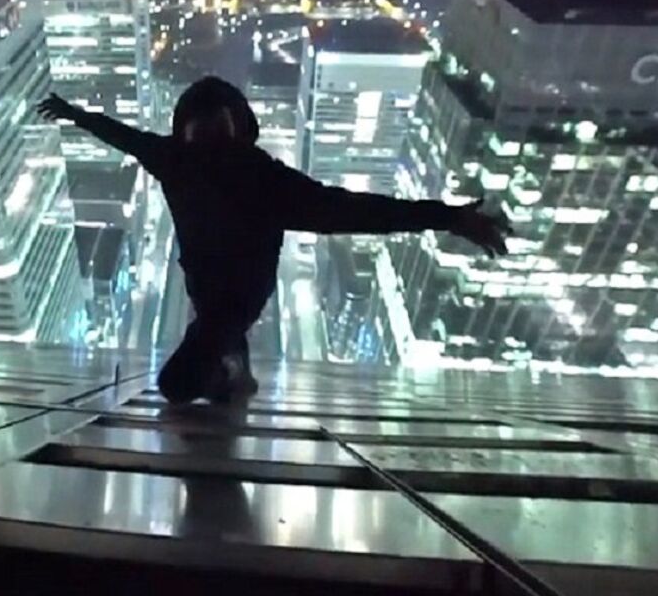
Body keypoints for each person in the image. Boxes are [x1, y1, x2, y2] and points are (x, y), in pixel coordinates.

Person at [38, 76, 511, 404]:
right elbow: (352, 210)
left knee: (178, 385)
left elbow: (353, 211)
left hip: (227, 302)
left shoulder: (187, 162)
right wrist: (448, 217)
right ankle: (234, 372)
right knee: (212, 341)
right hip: (225, 297)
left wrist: (448, 217)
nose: (208, 139)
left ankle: (232, 376)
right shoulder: (238, 172)